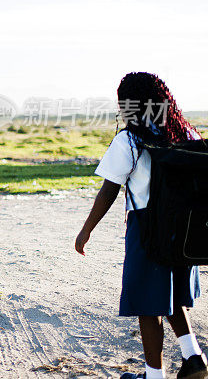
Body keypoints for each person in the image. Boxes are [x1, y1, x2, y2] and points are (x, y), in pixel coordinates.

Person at [75, 72, 207, 379]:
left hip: (147, 227)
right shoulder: (186, 132)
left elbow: (109, 190)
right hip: (184, 228)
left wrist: (86, 230)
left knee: (149, 305)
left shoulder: (130, 140)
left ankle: (154, 375)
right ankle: (193, 358)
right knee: (169, 294)